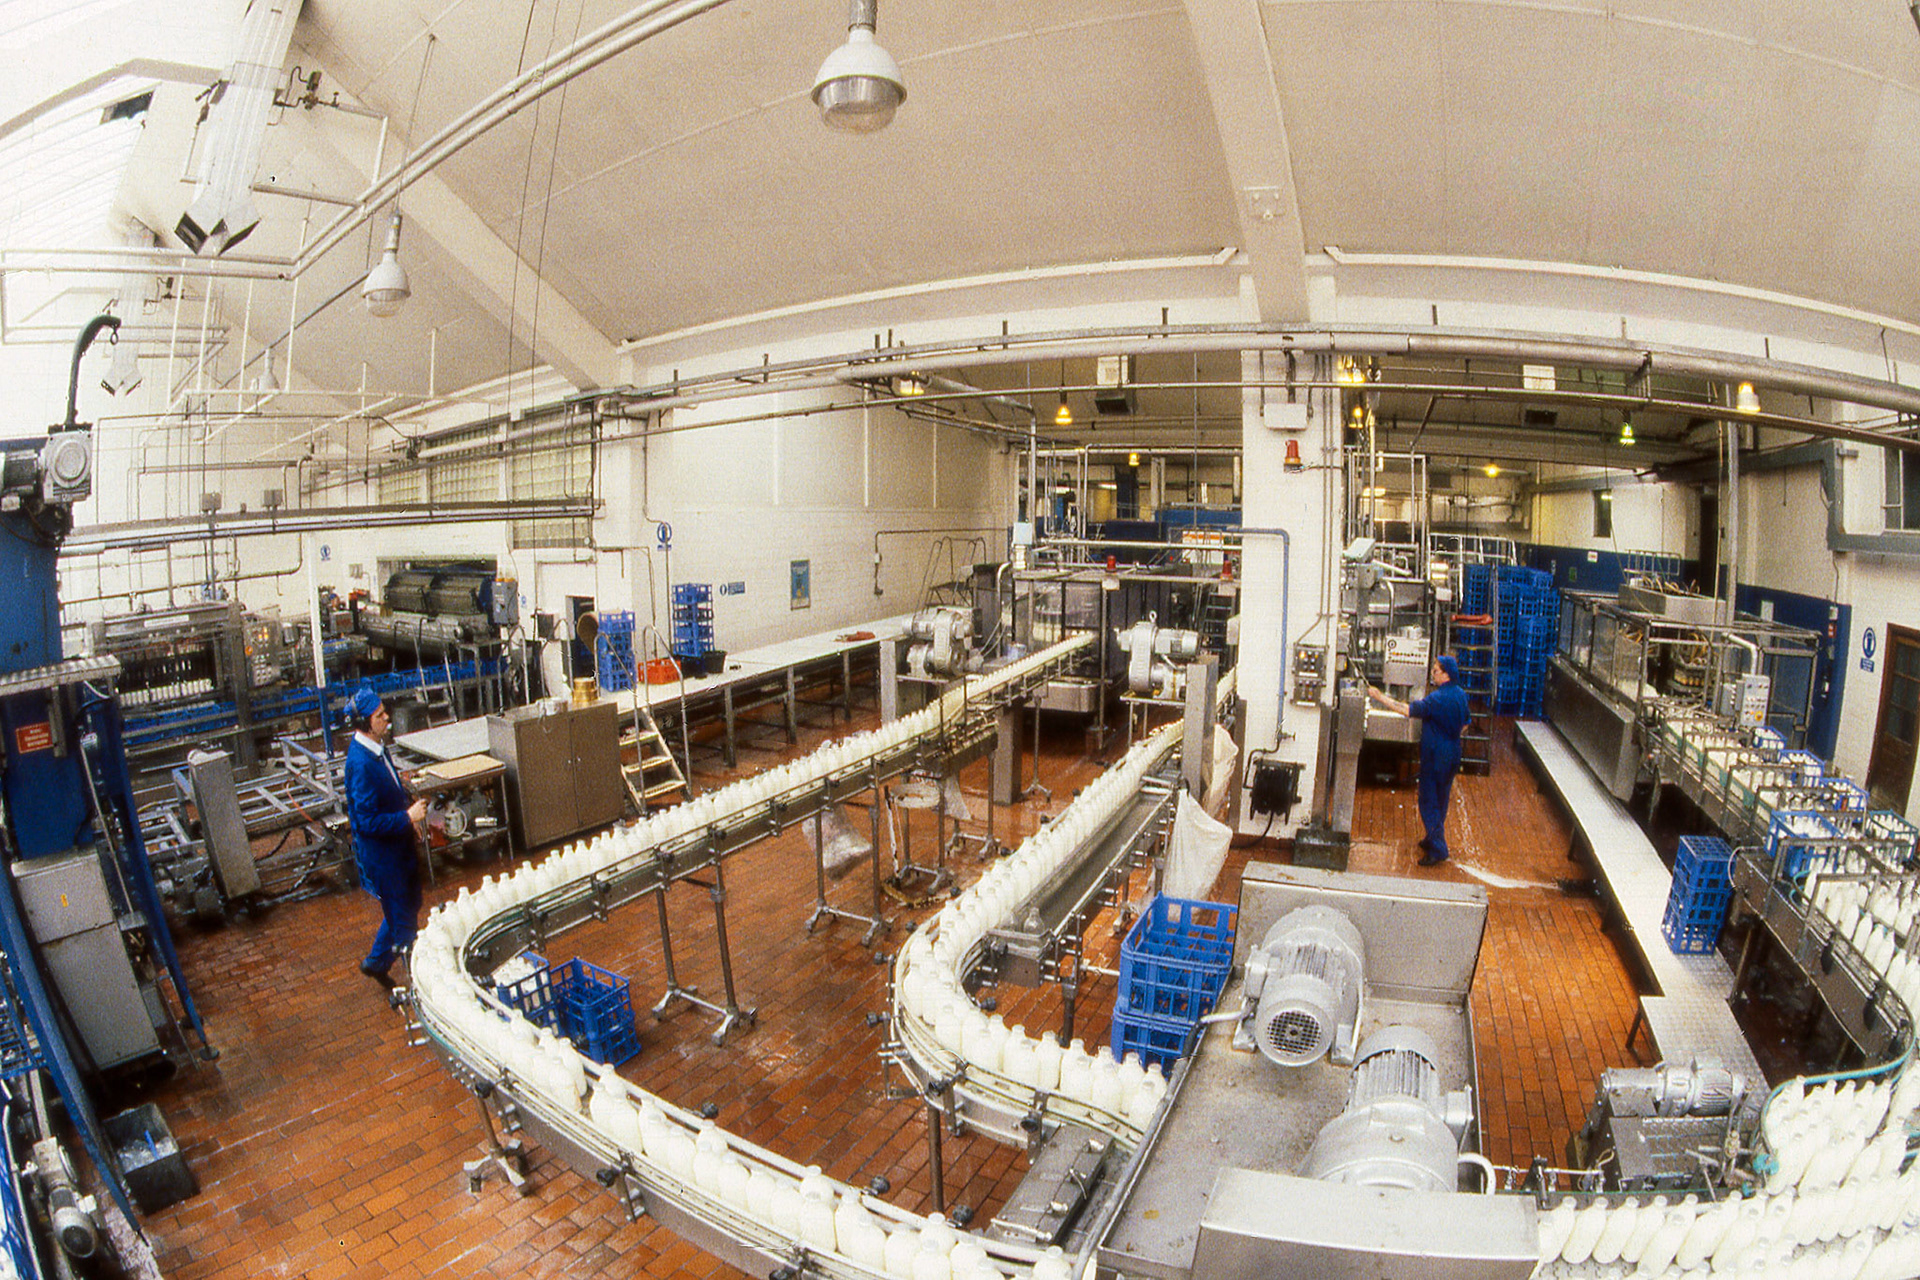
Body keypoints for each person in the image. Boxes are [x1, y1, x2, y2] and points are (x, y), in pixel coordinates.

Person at [344, 688, 427, 986]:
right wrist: (407, 817)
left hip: (398, 847)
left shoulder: (377, 748)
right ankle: (419, 986)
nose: (386, 717)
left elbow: (390, 791)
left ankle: (376, 962)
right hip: (384, 858)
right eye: (379, 715)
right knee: (404, 920)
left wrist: (407, 818)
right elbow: (365, 823)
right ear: (364, 723)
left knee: (407, 904)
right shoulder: (361, 764)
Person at [1367, 654, 1470, 867]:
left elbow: (1406, 710)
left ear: (1446, 674)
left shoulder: (1437, 698)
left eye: (1435, 670)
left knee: (1428, 799)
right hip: (1452, 752)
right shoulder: (1460, 695)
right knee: (1441, 798)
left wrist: (1379, 697)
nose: (1432, 673)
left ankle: (1438, 849)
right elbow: (1465, 725)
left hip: (1435, 755)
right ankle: (1433, 837)